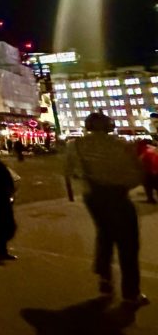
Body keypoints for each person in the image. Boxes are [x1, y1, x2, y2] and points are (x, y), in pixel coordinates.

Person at [66, 112, 148, 307]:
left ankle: (104, 281)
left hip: (93, 197)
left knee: (104, 235)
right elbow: (137, 173)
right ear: (109, 126)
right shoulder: (120, 145)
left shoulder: (75, 145)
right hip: (118, 196)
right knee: (128, 243)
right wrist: (124, 185)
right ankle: (131, 292)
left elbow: (70, 171)